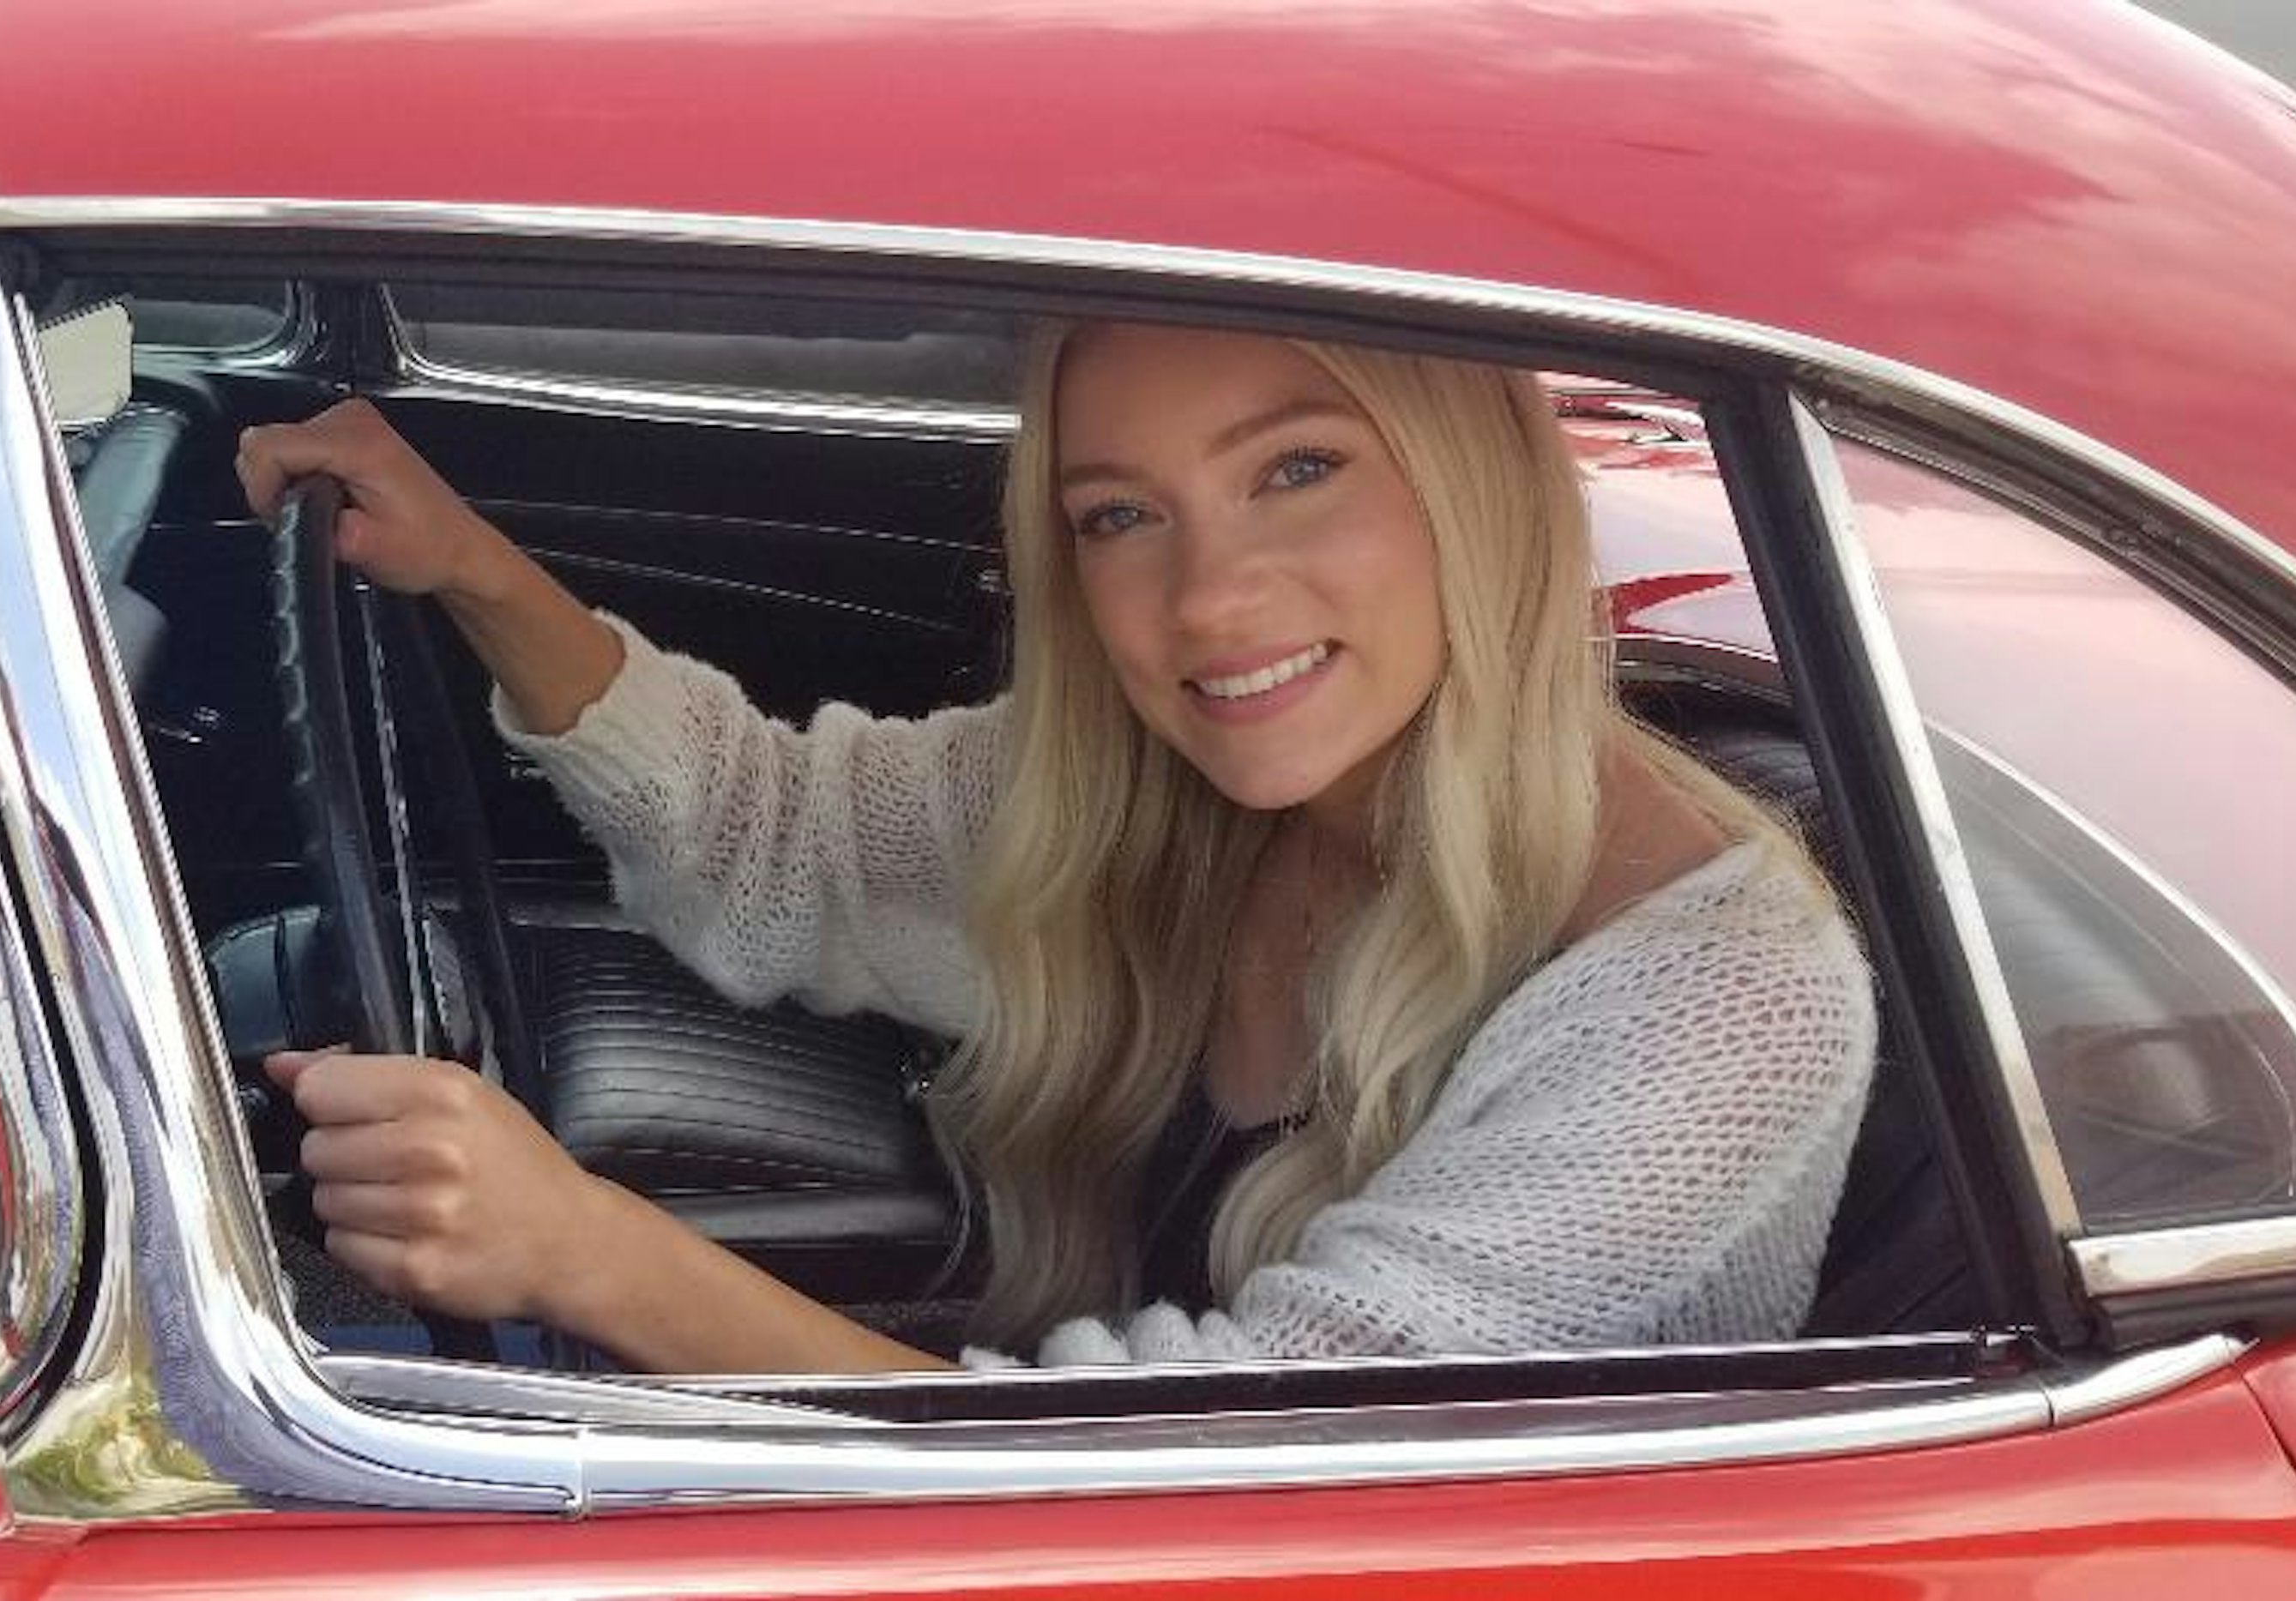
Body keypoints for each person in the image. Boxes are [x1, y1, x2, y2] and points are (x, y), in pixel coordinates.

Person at [231, 321, 1877, 1371]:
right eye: (1120, 515)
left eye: (1298, 469)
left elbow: (1229, 1501)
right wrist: (474, 573)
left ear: (1479, 483)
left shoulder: (1718, 1004)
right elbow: (770, 837)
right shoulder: (1169, 787)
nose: (1207, 601)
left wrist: (587, 1253)